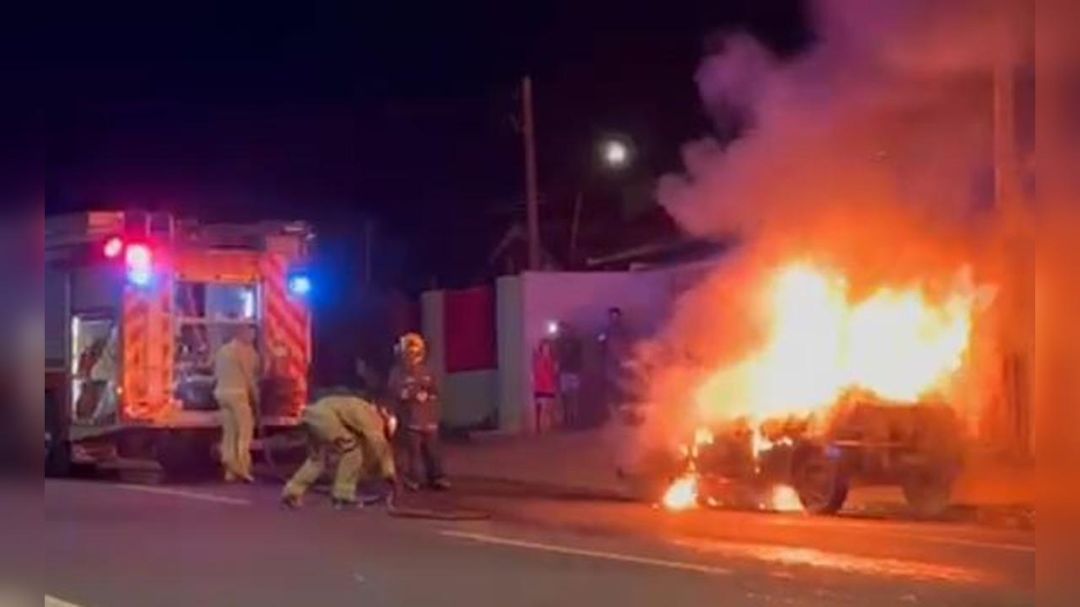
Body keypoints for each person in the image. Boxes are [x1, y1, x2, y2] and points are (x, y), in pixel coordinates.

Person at [281, 388, 398, 509]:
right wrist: (389, 472)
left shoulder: (359, 405)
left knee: (316, 460)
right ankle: (343, 496)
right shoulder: (372, 415)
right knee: (353, 452)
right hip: (326, 418)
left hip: (311, 415)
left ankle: (292, 493)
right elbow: (379, 444)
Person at [387, 332, 449, 491]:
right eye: (410, 353)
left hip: (429, 420)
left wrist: (428, 395)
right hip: (411, 421)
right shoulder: (397, 373)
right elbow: (396, 392)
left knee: (433, 452)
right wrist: (413, 395)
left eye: (416, 353)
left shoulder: (428, 371)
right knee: (413, 453)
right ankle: (414, 479)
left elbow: (436, 391)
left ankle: (437, 477)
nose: (413, 357)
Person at [213, 325, 260, 483]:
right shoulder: (246, 351)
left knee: (229, 433)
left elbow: (214, 371)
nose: (253, 337)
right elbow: (249, 377)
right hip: (238, 395)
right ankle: (242, 468)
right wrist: (256, 396)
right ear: (244, 334)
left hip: (221, 394)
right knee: (244, 433)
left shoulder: (223, 350)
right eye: (252, 334)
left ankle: (229, 469)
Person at [598, 307, 633, 422]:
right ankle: (612, 416)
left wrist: (626, 360)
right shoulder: (606, 331)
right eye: (611, 316)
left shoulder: (624, 331)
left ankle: (624, 417)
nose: (613, 318)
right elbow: (601, 345)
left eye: (616, 316)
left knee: (623, 391)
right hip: (610, 366)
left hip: (621, 366)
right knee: (611, 392)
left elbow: (628, 347)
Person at [553, 322, 583, 429]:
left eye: (563, 330)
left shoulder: (574, 342)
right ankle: (568, 417)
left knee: (573, 396)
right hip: (566, 372)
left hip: (572, 371)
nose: (563, 332)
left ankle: (573, 418)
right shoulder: (560, 342)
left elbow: (576, 357)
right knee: (566, 395)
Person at [532, 338, 559, 433]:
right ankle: (539, 426)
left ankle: (547, 425)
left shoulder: (551, 359)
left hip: (549, 385)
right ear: (542, 348)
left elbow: (554, 372)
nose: (546, 349)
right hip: (540, 385)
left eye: (547, 347)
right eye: (544, 347)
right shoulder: (538, 359)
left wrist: (555, 369)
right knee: (540, 405)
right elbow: (536, 371)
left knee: (549, 406)